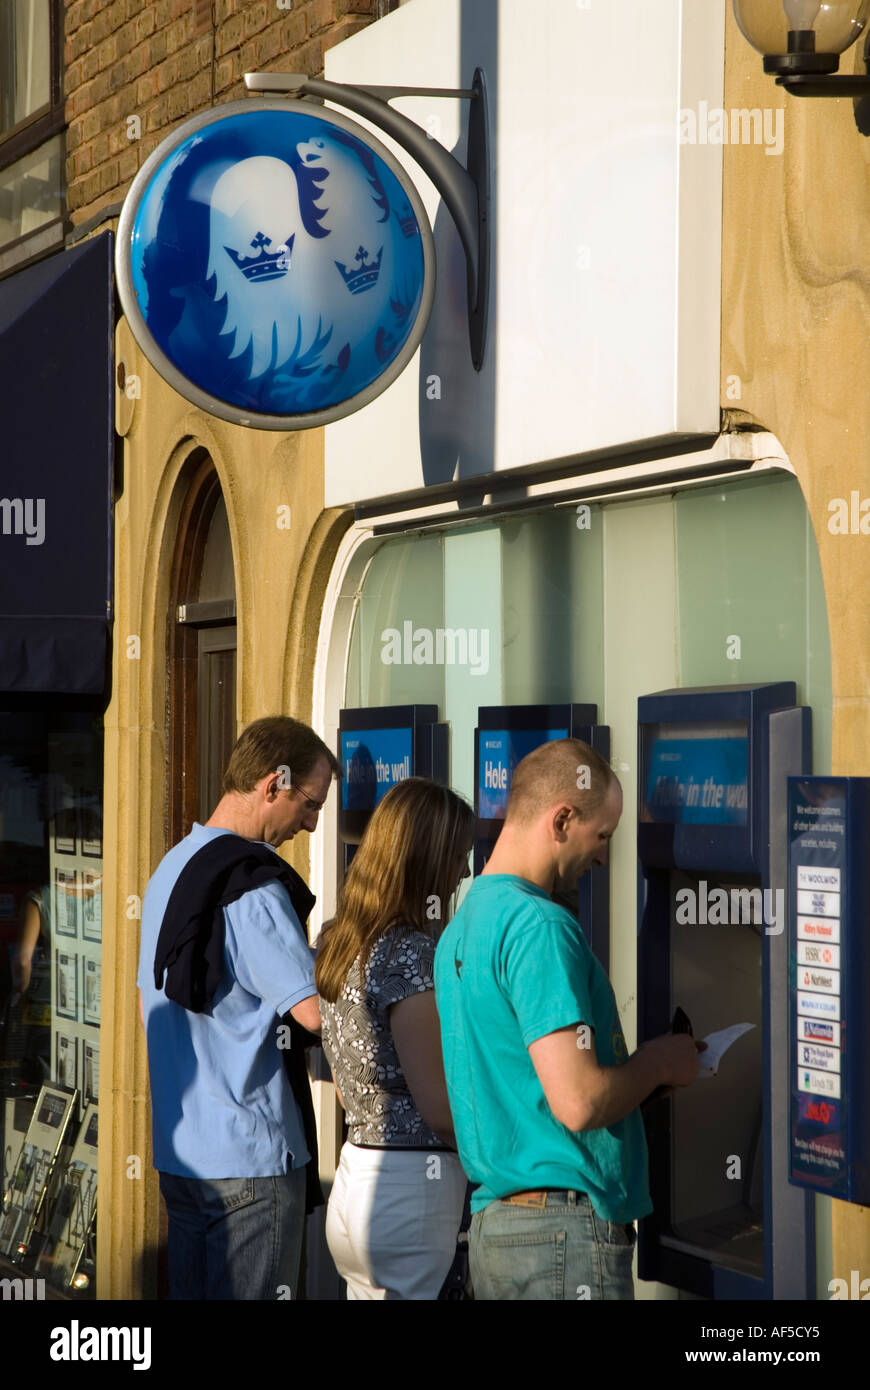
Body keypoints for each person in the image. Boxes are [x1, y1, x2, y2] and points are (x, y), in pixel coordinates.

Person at [434, 738, 704, 1301]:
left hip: (496, 1227)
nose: (603, 856)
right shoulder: (539, 926)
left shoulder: (464, 924)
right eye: (601, 835)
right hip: (560, 1234)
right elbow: (578, 1101)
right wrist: (658, 1063)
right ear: (561, 819)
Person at [137, 715, 341, 1300]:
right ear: (273, 781)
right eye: (309, 803)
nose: (311, 823)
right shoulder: (250, 883)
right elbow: (315, 1015)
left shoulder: (171, 869)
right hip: (250, 1161)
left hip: (184, 1159)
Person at [316, 778, 474, 1300]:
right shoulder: (411, 954)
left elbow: (345, 1088)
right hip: (412, 1198)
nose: (464, 873)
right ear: (426, 862)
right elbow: (439, 1107)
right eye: (457, 857)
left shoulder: (338, 941)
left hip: (357, 1178)